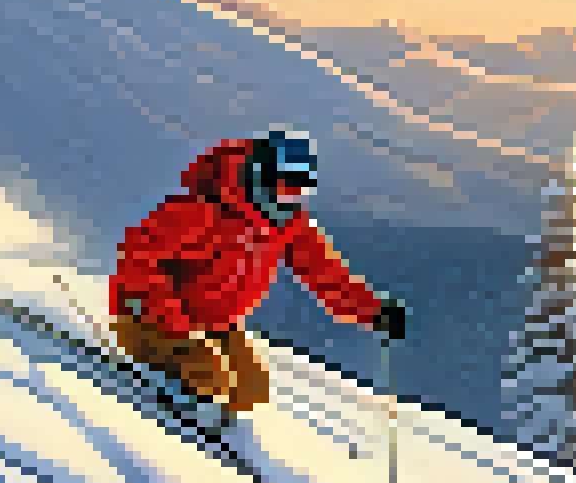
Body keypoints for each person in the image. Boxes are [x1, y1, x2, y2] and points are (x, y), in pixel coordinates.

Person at [111, 128, 409, 428]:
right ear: (262, 173)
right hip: (150, 316)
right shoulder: (206, 208)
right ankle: (171, 415)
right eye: (287, 183)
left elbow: (327, 276)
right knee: (207, 371)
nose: (291, 195)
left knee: (251, 387)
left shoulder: (286, 223)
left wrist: (374, 311)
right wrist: (173, 323)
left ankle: (204, 410)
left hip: (212, 322)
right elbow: (138, 259)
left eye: (300, 186)